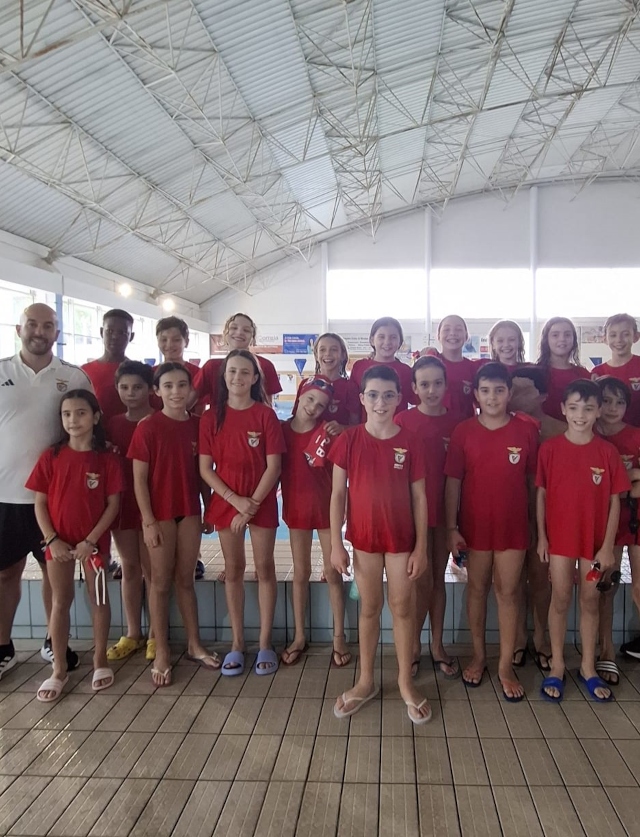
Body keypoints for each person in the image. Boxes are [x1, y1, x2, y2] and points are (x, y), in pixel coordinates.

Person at [329, 365, 431, 724]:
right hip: (364, 541)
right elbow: (338, 493)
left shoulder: (411, 440)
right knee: (369, 608)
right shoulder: (349, 440)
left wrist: (421, 547)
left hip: (402, 540)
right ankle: (366, 680)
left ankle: (404, 682)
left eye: (389, 395)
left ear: (399, 398)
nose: (381, 401)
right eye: (373, 394)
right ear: (362, 399)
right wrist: (336, 545)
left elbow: (420, 497)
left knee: (402, 607)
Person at [0, 303, 91, 681]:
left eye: (48, 325)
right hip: (5, 496)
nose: (40, 331)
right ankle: (3, 648)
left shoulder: (73, 377)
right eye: (33, 324)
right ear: (19, 328)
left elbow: (87, 426)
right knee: (5, 576)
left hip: (54, 500)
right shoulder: (1, 371)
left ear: (57, 331)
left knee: (56, 578)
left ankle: (55, 641)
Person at [445, 362, 538, 701]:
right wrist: (452, 528)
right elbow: (453, 483)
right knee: (477, 589)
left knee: (509, 592)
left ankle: (504, 666)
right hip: (475, 528)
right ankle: (480, 656)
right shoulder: (463, 431)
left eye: (499, 390)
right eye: (486, 390)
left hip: (513, 527)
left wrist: (534, 525)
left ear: (510, 393)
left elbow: (532, 483)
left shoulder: (526, 431)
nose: (493, 396)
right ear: (476, 394)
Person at [536, 380, 630, 703]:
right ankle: (558, 664)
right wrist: (543, 537)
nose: (580, 415)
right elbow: (542, 494)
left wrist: (607, 547)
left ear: (598, 411)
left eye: (588, 409)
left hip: (594, 544)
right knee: (560, 599)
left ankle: (588, 666)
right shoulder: (549, 449)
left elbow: (616, 501)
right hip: (560, 540)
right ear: (563, 409)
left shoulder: (607, 451)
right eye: (574, 408)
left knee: (590, 602)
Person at [26, 390, 123, 701]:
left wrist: (91, 540)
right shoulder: (51, 457)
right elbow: (39, 503)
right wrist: (52, 540)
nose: (73, 420)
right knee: (60, 601)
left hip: (94, 546)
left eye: (81, 413)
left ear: (95, 417)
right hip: (58, 544)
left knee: (99, 599)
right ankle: (58, 669)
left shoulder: (106, 459)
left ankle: (100, 660)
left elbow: (112, 505)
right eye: (67, 414)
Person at [129, 362, 219, 686]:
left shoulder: (197, 425)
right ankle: (163, 649)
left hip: (189, 511)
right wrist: (148, 521)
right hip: (161, 514)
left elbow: (202, 472)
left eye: (182, 385)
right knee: (160, 582)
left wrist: (209, 507)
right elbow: (139, 480)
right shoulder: (148, 427)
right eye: (168, 386)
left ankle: (194, 644)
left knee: (186, 581)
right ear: (157, 391)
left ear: (190, 390)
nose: (176, 392)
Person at [199, 350, 285, 676]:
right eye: (232, 371)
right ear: (224, 376)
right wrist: (235, 501)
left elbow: (274, 466)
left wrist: (251, 506)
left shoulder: (265, 415)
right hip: (227, 501)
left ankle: (265, 642)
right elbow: (205, 469)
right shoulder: (211, 417)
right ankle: (237, 643)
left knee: (265, 567)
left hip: (259, 501)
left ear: (254, 378)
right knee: (233, 569)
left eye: (244, 372)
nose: (237, 377)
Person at [395, 356, 459, 679]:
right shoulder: (403, 421)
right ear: (414, 388)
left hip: (445, 512)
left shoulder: (458, 423)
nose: (431, 390)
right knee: (419, 580)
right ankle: (414, 646)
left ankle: (436, 645)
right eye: (424, 384)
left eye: (437, 383)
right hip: (410, 513)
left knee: (436, 579)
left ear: (446, 386)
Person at [280, 377, 350, 668]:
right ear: (299, 396)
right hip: (296, 509)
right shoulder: (281, 431)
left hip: (325, 511)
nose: (313, 407)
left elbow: (341, 481)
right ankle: (299, 635)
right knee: (300, 572)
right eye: (309, 400)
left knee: (333, 574)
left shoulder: (329, 433)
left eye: (320, 405)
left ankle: (338, 636)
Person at [508, 365, 565, 671]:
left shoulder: (560, 429)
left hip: (551, 518)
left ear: (542, 395)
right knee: (513, 581)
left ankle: (541, 639)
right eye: (512, 388)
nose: (514, 396)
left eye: (522, 390)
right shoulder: (504, 427)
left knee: (541, 580)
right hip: (513, 514)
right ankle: (518, 639)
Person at [106, 361, 155, 663]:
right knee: (129, 566)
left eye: (137, 387)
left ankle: (154, 635)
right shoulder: (112, 424)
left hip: (152, 503)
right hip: (123, 503)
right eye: (124, 387)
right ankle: (133, 633)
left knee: (153, 570)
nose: (130, 393)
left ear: (150, 389)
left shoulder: (160, 420)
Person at [155, 315, 205, 580]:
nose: (169, 344)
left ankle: (192, 556)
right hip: (164, 445)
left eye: (175, 339)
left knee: (190, 489)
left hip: (190, 438)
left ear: (186, 341)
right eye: (164, 339)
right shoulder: (153, 374)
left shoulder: (198, 374)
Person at [595, 377, 640, 670]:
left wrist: (626, 483)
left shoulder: (636, 436)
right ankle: (606, 650)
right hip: (603, 523)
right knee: (606, 588)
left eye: (620, 402)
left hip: (635, 519)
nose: (613, 408)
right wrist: (633, 476)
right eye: (607, 401)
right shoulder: (587, 436)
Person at [193, 312, 282, 408]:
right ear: (225, 334)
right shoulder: (211, 367)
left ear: (253, 338)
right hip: (218, 422)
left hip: (254, 422)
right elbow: (192, 402)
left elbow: (268, 406)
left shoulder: (264, 365)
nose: (239, 332)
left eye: (246, 330)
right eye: (234, 328)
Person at [291, 333, 360, 431]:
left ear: (343, 355)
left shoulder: (350, 387)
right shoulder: (306, 384)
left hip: (338, 443)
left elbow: (357, 426)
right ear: (316, 355)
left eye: (334, 350)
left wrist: (342, 428)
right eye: (322, 350)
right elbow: (295, 420)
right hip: (308, 444)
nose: (328, 354)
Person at [350, 317, 416, 417]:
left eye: (393, 337)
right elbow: (353, 404)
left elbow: (416, 400)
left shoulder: (406, 371)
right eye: (381, 337)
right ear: (372, 340)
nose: (387, 342)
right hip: (366, 429)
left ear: (400, 342)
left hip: (397, 429)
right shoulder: (359, 367)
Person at [82, 309, 135, 422]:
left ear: (131, 336)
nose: (115, 337)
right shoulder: (84, 371)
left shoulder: (138, 372)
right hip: (97, 436)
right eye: (110, 331)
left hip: (131, 434)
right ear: (101, 332)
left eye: (122, 332)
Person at [535, 316, 590, 422]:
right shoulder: (535, 374)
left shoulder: (583, 375)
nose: (562, 339)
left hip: (577, 434)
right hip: (542, 435)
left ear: (574, 340)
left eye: (567, 334)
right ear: (546, 340)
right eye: (555, 335)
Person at [592, 314, 640, 427]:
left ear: (636, 337)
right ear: (605, 339)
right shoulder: (597, 372)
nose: (619, 340)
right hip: (606, 436)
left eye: (626, 334)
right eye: (613, 335)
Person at [433, 314, 482, 423]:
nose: (452, 333)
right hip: (434, 427)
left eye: (458, 329)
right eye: (446, 329)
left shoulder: (473, 369)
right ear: (438, 336)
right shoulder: (430, 365)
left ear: (466, 336)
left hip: (466, 429)